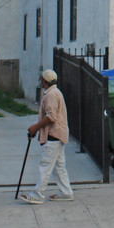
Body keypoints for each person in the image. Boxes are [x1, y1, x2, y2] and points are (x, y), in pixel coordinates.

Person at [20, 70, 74, 204]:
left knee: (45, 165)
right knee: (58, 166)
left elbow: (51, 116)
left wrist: (35, 127)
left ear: (44, 81)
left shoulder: (51, 95)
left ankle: (37, 194)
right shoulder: (55, 93)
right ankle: (66, 192)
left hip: (53, 135)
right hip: (58, 134)